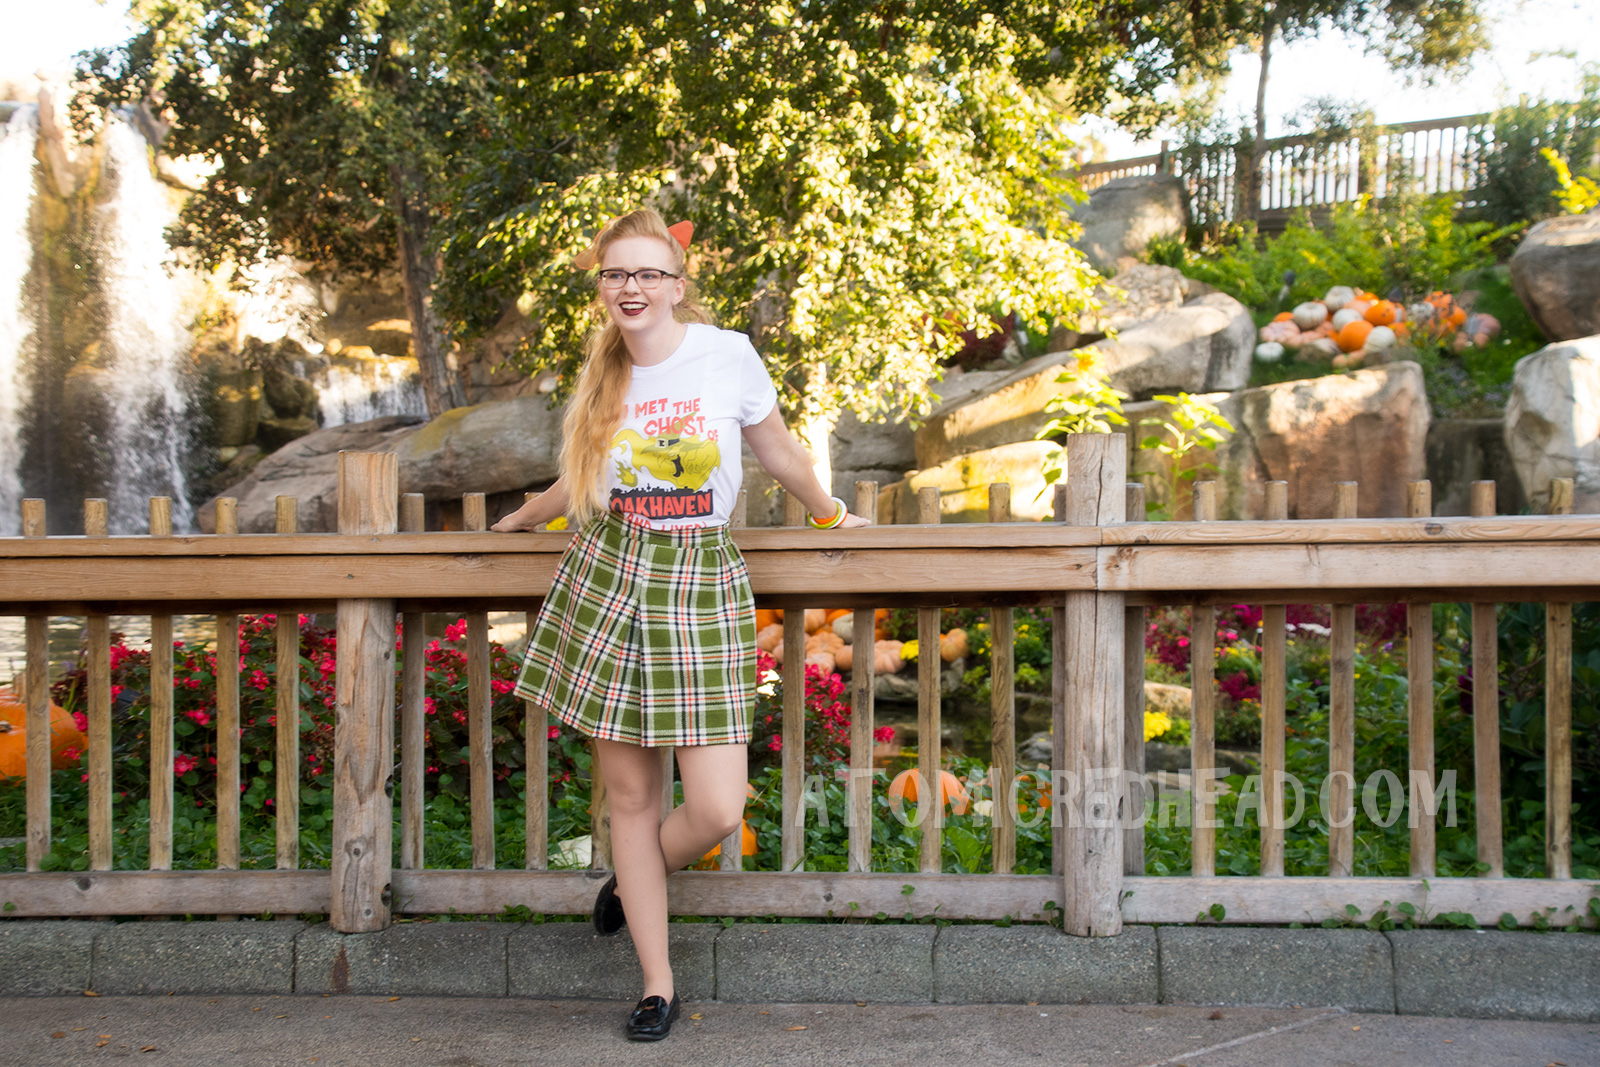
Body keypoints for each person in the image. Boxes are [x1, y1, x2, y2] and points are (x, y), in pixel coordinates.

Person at [492, 208, 869, 1041]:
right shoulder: (602, 377)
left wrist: (830, 514)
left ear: (676, 285)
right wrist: (523, 517)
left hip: (700, 584)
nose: (632, 288)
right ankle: (656, 984)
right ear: (603, 289)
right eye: (616, 274)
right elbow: (579, 480)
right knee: (631, 799)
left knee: (717, 806)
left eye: (647, 274)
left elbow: (775, 448)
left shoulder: (726, 353)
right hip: (609, 577)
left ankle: (630, 884)